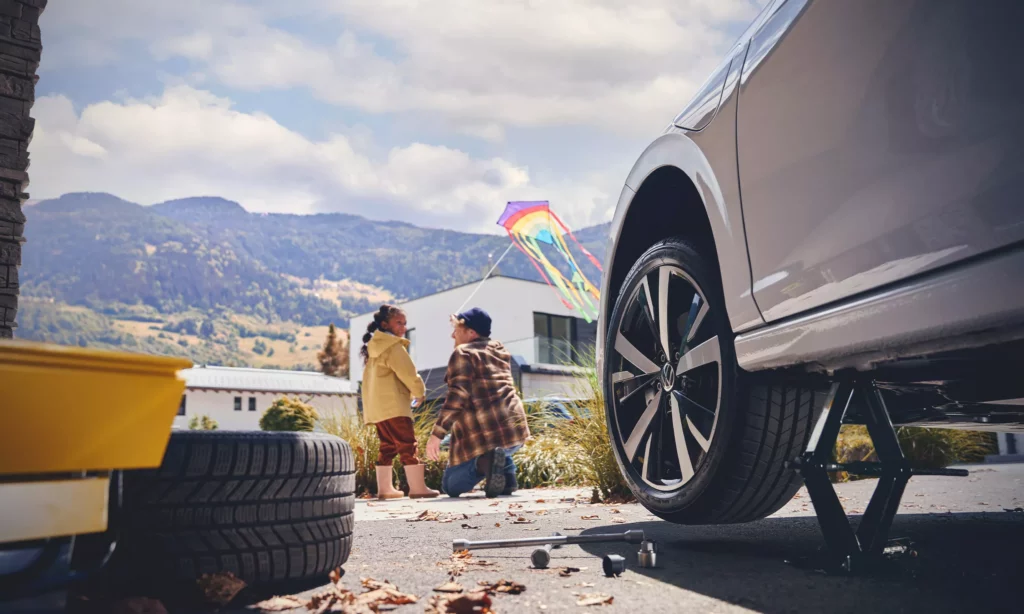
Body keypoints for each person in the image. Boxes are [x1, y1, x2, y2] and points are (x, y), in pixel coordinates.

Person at [426, 307, 531, 498]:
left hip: (486, 432)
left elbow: (458, 396)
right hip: (514, 430)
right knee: (498, 451)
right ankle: (506, 475)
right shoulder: (499, 349)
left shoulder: (463, 353)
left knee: (450, 485)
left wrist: (437, 435)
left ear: (471, 333)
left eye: (456, 330)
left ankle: (485, 463)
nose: (452, 335)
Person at [360, 304, 439, 500]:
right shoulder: (393, 347)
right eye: (399, 323)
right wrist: (419, 392)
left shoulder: (374, 348)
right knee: (407, 444)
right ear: (385, 324)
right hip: (395, 406)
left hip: (378, 408)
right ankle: (418, 488)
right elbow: (409, 373)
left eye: (405, 323)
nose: (403, 327)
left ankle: (385, 489)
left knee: (387, 446)